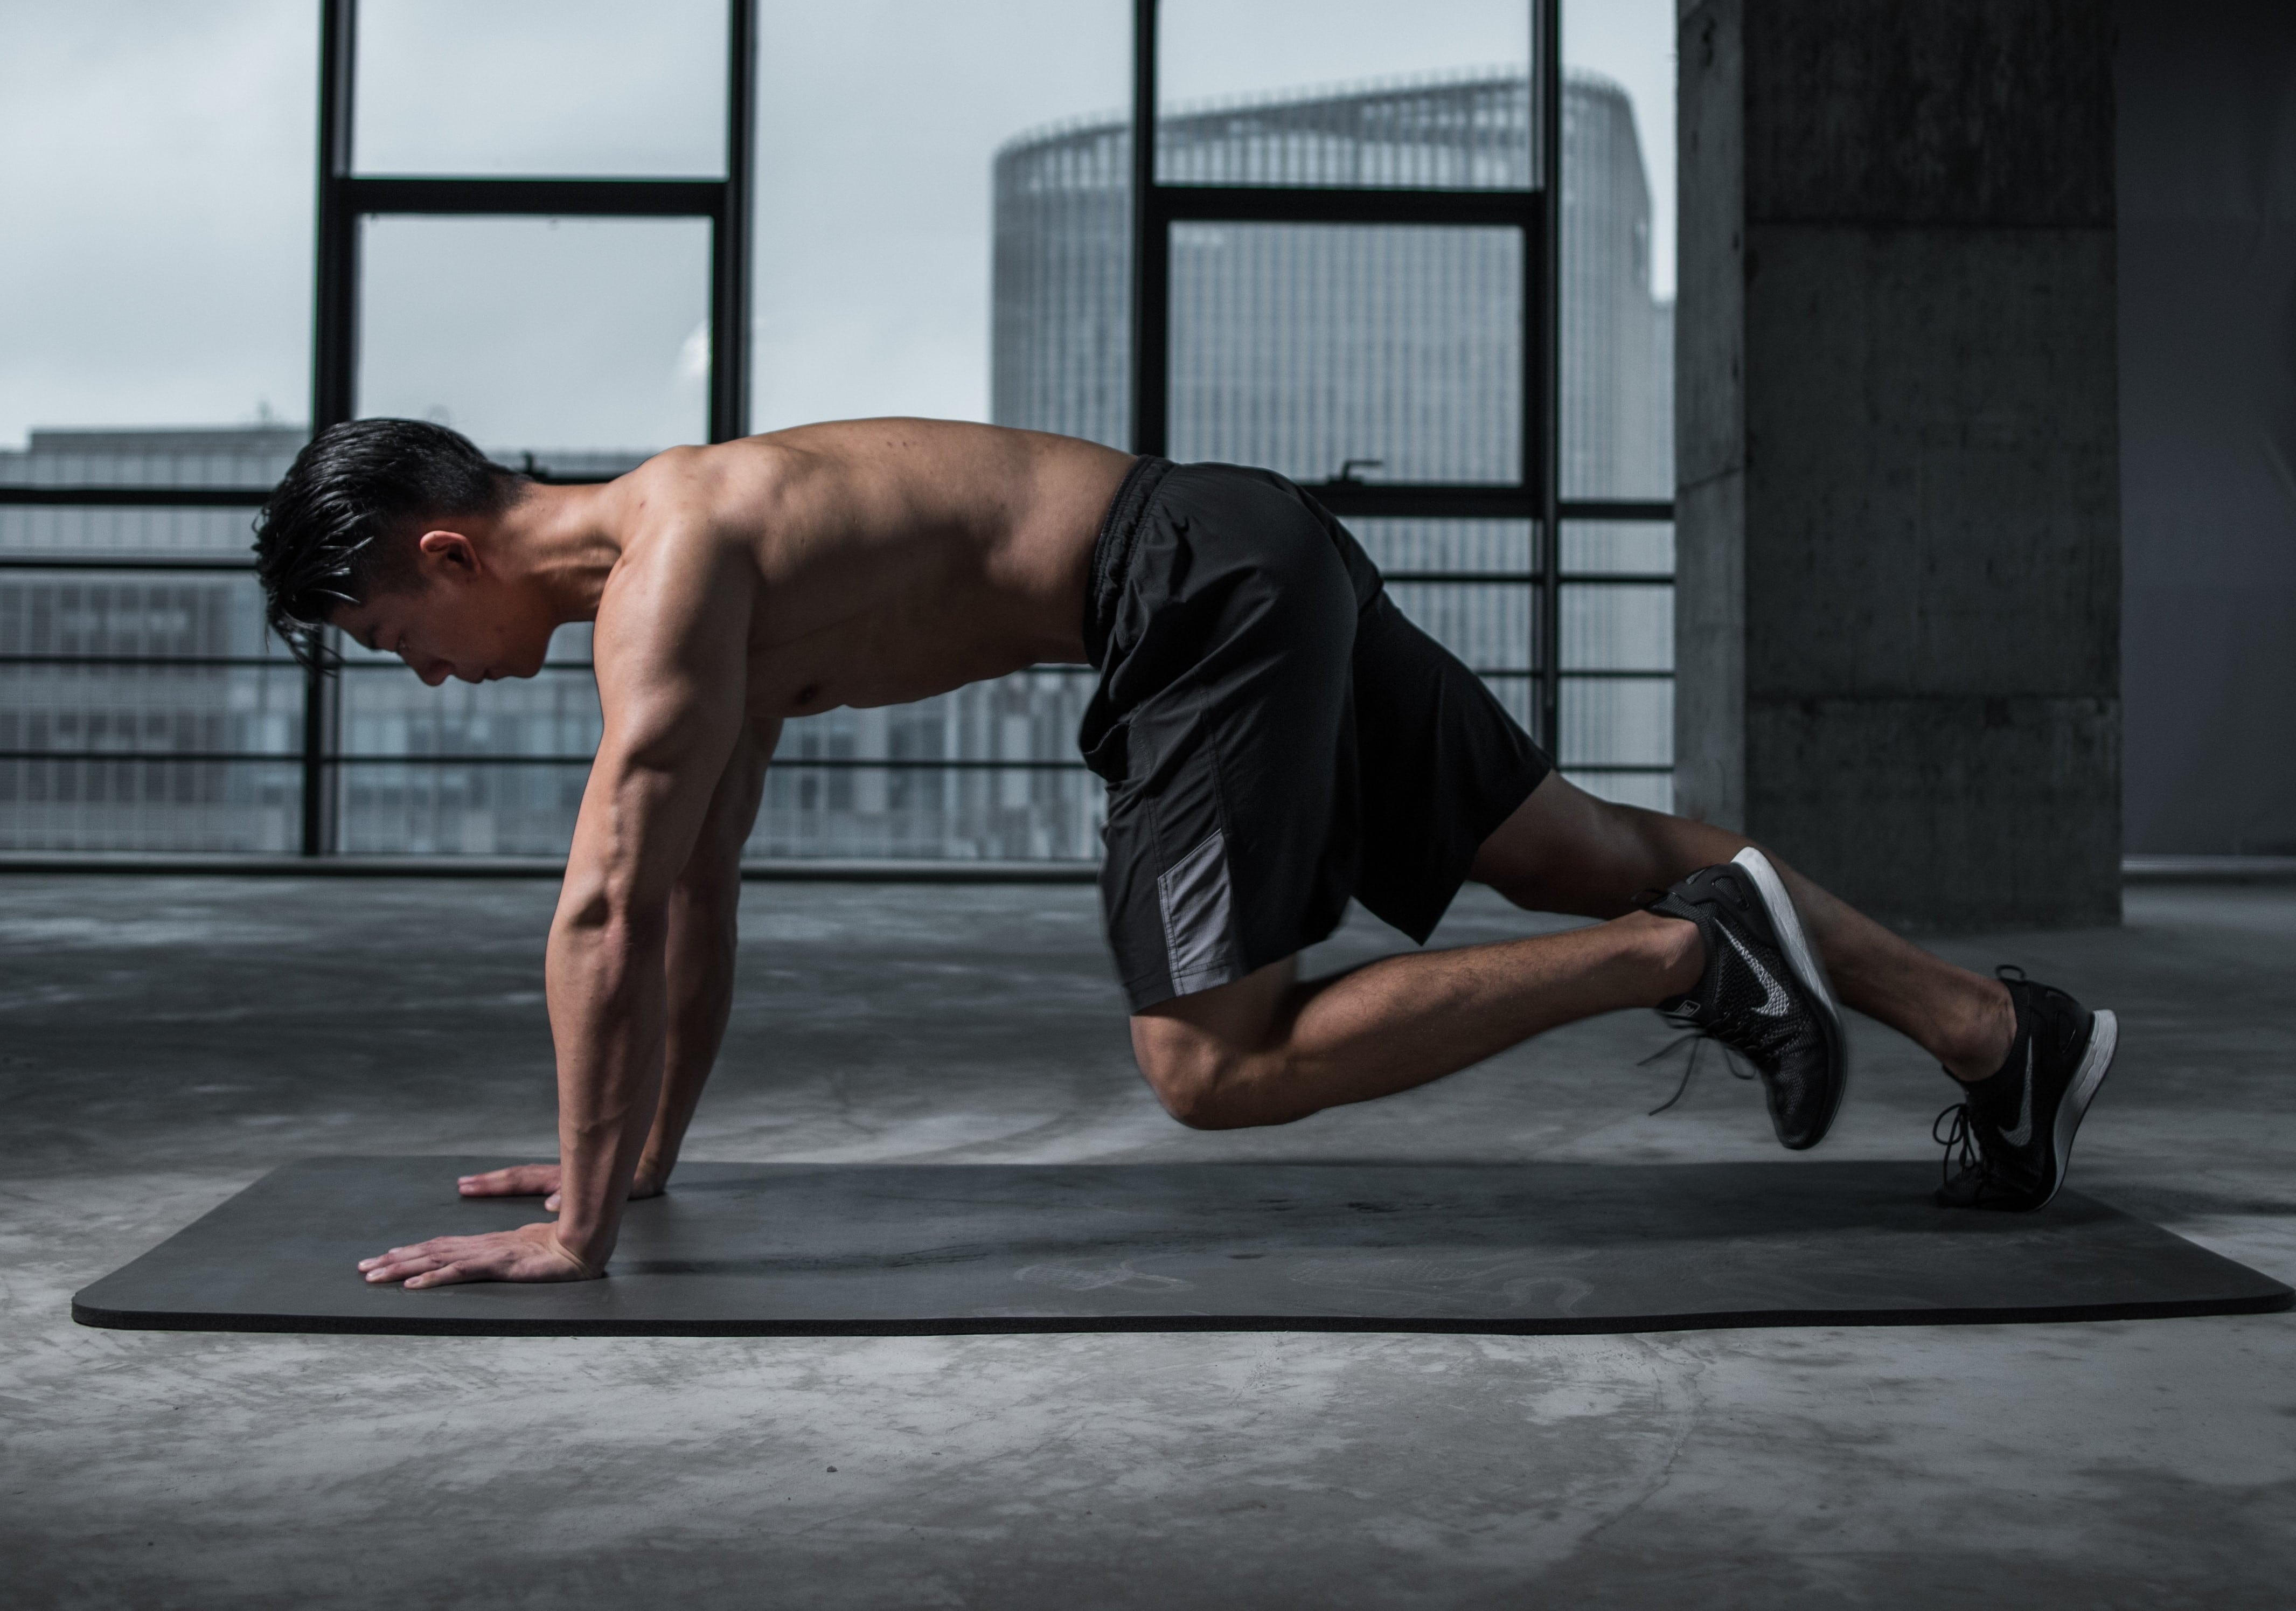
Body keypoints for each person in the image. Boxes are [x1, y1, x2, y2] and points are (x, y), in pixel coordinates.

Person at [247, 418, 2119, 1290]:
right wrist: (634, 1162)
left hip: (1189, 591)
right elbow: (693, 889)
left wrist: (577, 1238)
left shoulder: (668, 574)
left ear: (444, 556)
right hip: (1238, 543)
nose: (422, 680)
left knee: (1214, 1064)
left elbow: (601, 903)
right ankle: (1994, 1033)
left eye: (393, 644)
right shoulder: (688, 562)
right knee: (1575, 842)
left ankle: (1688, 960)